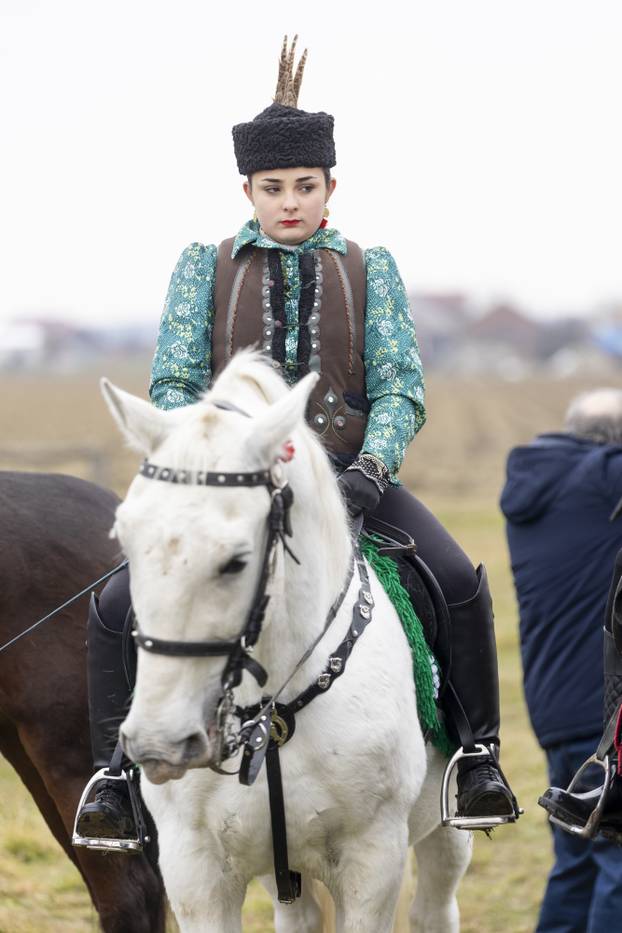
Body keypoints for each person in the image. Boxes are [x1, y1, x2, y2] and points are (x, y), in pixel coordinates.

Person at [74, 36, 519, 847]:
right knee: (112, 604)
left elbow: (400, 385)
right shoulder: (199, 266)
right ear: (246, 189)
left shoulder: (368, 266)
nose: (289, 201)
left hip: (351, 476)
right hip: (227, 486)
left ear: (329, 187)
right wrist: (210, 450)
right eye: (273, 187)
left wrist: (373, 471)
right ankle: (118, 776)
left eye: (304, 187)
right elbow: (173, 384)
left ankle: (478, 758)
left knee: (457, 582)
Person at [501, 388, 622, 932]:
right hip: (608, 715)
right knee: (618, 866)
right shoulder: (603, 483)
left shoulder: (537, 489)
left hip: (557, 711)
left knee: (576, 863)